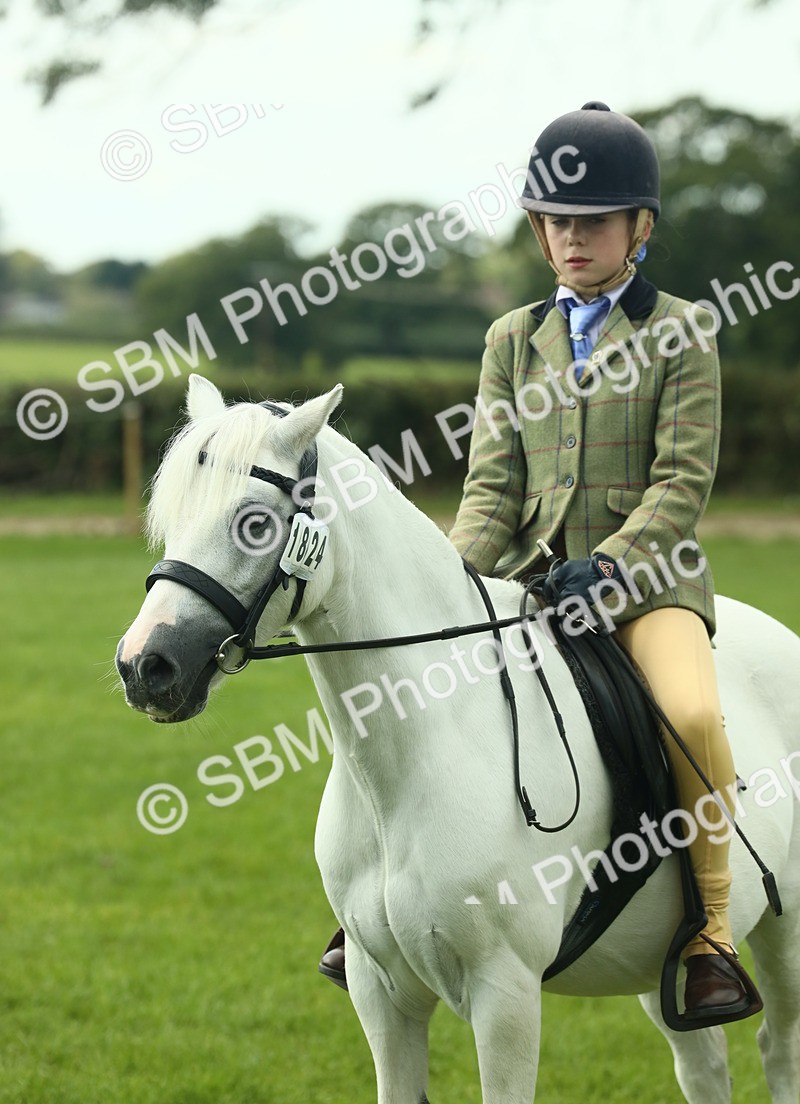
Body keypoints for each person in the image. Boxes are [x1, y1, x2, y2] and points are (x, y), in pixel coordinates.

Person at [319, 101, 761, 1024]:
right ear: (537, 229)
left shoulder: (684, 331)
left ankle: (710, 932)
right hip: (530, 587)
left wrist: (611, 566)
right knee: (406, 696)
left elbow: (681, 481)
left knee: (690, 712)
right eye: (556, 221)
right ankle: (377, 907)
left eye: (593, 221)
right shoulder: (512, 339)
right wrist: (446, 581)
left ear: (640, 227)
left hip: (647, 589)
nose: (572, 238)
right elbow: (492, 489)